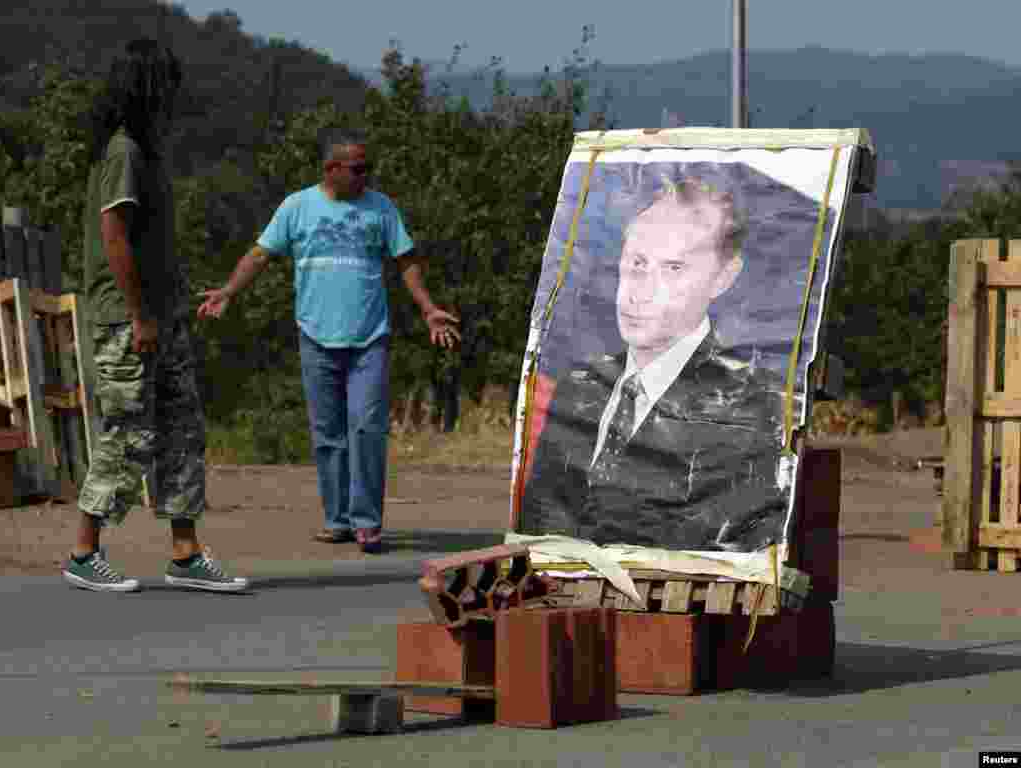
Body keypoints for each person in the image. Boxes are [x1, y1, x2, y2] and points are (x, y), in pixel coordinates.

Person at [198, 128, 460, 553]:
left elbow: (406, 262)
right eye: (357, 169)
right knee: (328, 434)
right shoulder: (297, 207)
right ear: (331, 169)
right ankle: (337, 519)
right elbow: (260, 254)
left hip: (369, 338)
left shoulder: (381, 208)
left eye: (368, 169)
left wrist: (428, 308)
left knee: (367, 427)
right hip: (316, 336)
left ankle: (367, 523)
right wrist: (229, 290)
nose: (365, 177)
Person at [63, 38, 247, 592]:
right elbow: (114, 238)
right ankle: (83, 550)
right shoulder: (123, 152)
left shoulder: (146, 151)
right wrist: (140, 316)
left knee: (182, 431)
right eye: (164, 85)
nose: (171, 97)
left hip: (163, 316)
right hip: (128, 320)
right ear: (145, 88)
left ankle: (185, 554)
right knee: (128, 434)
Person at [521, 177, 786, 552]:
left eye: (674, 268)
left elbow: (727, 537)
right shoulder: (581, 386)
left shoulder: (750, 403)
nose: (641, 290)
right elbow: (541, 514)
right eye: (637, 263)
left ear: (723, 277)